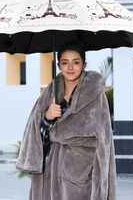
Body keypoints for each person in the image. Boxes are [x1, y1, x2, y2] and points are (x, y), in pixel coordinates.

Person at [16, 39, 116, 200]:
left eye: (76, 62)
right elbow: (35, 136)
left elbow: (104, 144)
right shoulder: (49, 94)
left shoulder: (96, 97)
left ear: (84, 65)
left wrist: (102, 185)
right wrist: (47, 118)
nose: (70, 68)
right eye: (65, 62)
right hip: (47, 172)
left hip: (78, 176)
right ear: (59, 66)